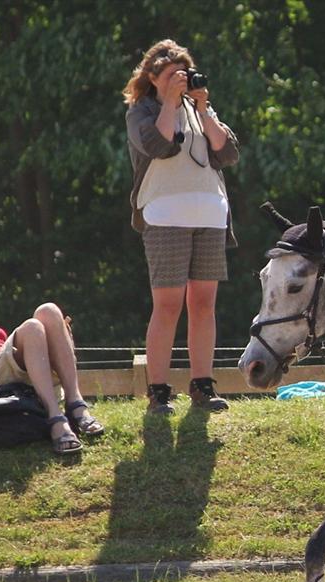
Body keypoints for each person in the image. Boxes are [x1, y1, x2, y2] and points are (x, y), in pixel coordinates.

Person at [124, 39, 239, 415]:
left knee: (204, 304)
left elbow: (227, 151)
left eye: (183, 74)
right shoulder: (141, 112)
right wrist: (170, 103)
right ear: (152, 78)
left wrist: (202, 107)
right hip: (164, 216)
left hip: (209, 214)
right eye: (171, 75)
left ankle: (202, 385)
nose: (179, 80)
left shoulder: (197, 108)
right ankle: (158, 390)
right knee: (168, 305)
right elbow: (158, 146)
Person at [0, 287, 104, 455]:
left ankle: (75, 403)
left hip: (23, 380)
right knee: (32, 327)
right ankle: (55, 418)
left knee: (48, 310)